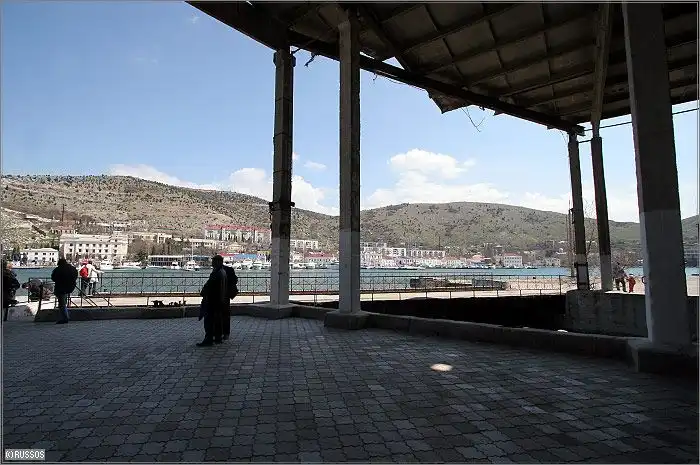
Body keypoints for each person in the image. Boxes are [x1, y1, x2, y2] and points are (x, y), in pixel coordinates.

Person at [197, 255, 228, 347]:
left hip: (213, 300)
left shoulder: (217, 273)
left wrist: (204, 292)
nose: (212, 262)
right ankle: (218, 337)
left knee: (209, 320)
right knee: (217, 320)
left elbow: (210, 285)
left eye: (214, 261)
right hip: (219, 300)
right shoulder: (222, 272)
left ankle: (208, 339)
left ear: (218, 262)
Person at [51, 258, 78, 324]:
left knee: (61, 303)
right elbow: (76, 275)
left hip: (60, 287)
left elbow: (53, 278)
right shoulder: (72, 268)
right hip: (70, 287)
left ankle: (65, 317)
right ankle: (65, 316)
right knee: (63, 301)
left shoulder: (58, 269)